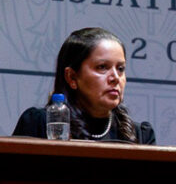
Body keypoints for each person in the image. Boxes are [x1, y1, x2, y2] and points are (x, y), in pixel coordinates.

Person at [12, 27, 155, 143]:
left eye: (120, 69)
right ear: (72, 77)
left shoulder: (140, 135)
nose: (116, 78)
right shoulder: (41, 123)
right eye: (102, 67)